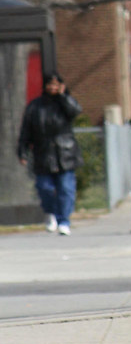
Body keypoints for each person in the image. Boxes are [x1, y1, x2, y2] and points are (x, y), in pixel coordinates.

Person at [17, 71, 83, 236]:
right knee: (44, 188)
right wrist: (23, 151)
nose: (53, 88)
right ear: (45, 86)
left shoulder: (65, 103)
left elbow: (75, 111)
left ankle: (64, 221)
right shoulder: (35, 106)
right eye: (50, 84)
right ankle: (51, 213)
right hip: (43, 153)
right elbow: (26, 131)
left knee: (66, 189)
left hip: (65, 153)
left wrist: (63, 96)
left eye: (56, 84)